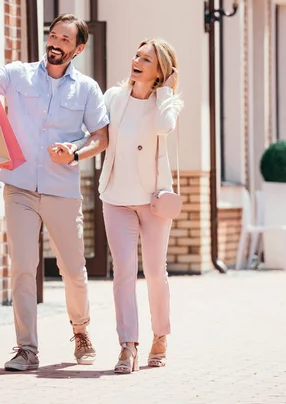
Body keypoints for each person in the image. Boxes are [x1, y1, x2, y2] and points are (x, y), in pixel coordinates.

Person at [0, 14, 109, 372]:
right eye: (53, 36)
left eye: (65, 40)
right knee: (23, 267)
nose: (55, 43)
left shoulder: (86, 88)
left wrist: (75, 152)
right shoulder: (19, 74)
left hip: (62, 190)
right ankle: (26, 348)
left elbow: (101, 136)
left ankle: (81, 331)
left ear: (78, 48)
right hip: (19, 186)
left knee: (73, 269)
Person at [99, 38, 182, 373]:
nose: (137, 61)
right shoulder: (114, 97)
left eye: (147, 59)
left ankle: (160, 336)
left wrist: (165, 92)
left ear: (160, 70)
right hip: (116, 198)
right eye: (137, 55)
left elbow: (163, 127)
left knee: (155, 273)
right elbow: (98, 134)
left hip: (153, 201)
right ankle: (127, 345)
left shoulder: (168, 104)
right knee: (123, 273)